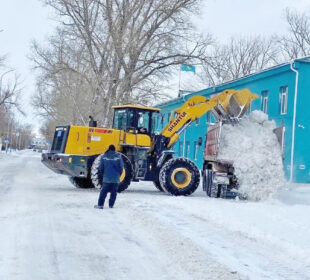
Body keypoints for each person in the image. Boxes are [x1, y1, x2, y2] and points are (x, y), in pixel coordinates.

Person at [94, 145, 124, 209]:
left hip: (106, 178)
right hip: (115, 179)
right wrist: (118, 174)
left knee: (103, 192)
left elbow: (101, 168)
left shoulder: (104, 156)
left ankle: (100, 205)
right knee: (114, 193)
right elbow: (121, 168)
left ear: (108, 149)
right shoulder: (118, 157)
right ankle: (111, 205)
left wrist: (103, 175)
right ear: (114, 149)